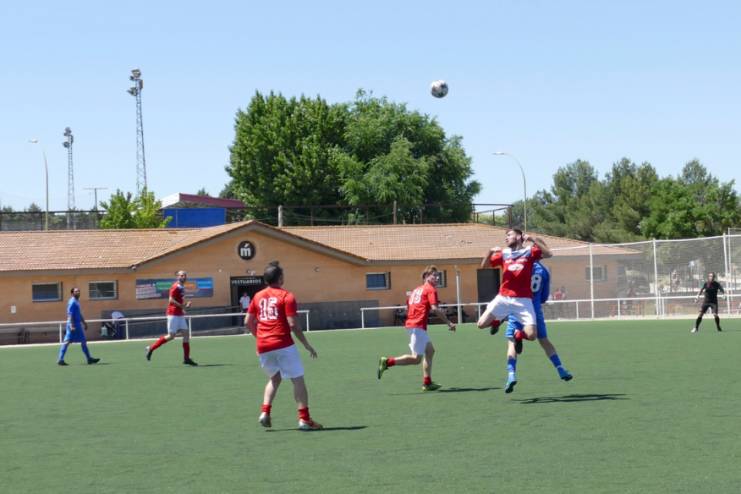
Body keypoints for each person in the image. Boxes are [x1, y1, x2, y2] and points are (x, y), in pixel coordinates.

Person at [244, 261, 322, 431]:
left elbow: (247, 322)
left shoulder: (257, 296)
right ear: (280, 278)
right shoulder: (287, 296)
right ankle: (304, 420)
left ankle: (265, 412)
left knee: (275, 378)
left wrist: (260, 338)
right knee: (297, 379)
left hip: (263, 347)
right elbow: (293, 324)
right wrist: (306, 345)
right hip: (283, 343)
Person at [377, 265, 456, 391]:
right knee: (416, 359)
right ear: (426, 276)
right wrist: (448, 322)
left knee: (430, 351)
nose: (437, 278)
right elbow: (435, 309)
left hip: (414, 325)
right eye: (434, 275)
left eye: (438, 275)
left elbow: (409, 306)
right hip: (417, 326)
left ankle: (427, 382)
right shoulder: (430, 289)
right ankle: (387, 362)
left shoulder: (416, 290)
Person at [501, 261, 572, 393]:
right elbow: (544, 297)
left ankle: (511, 375)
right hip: (534, 309)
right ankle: (560, 369)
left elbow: (508, 288)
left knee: (511, 343)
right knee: (544, 341)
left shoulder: (517, 266)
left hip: (517, 308)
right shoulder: (544, 270)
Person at [145, 270, 198, 365]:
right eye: (181, 275)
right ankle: (151, 348)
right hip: (173, 314)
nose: (183, 277)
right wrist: (182, 307)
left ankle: (186, 358)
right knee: (171, 336)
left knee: (186, 334)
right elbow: (171, 300)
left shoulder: (182, 287)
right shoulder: (175, 286)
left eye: (185, 275)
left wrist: (185, 306)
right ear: (177, 277)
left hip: (180, 314)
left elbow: (179, 301)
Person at [57, 287, 100, 366]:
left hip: (78, 325)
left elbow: (79, 314)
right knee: (67, 342)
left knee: (83, 341)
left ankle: (89, 359)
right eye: (76, 291)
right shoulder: (72, 302)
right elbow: (70, 314)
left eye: (78, 291)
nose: (78, 292)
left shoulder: (77, 301)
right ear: (72, 293)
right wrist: (71, 325)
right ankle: (60, 359)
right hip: (72, 324)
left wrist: (84, 322)